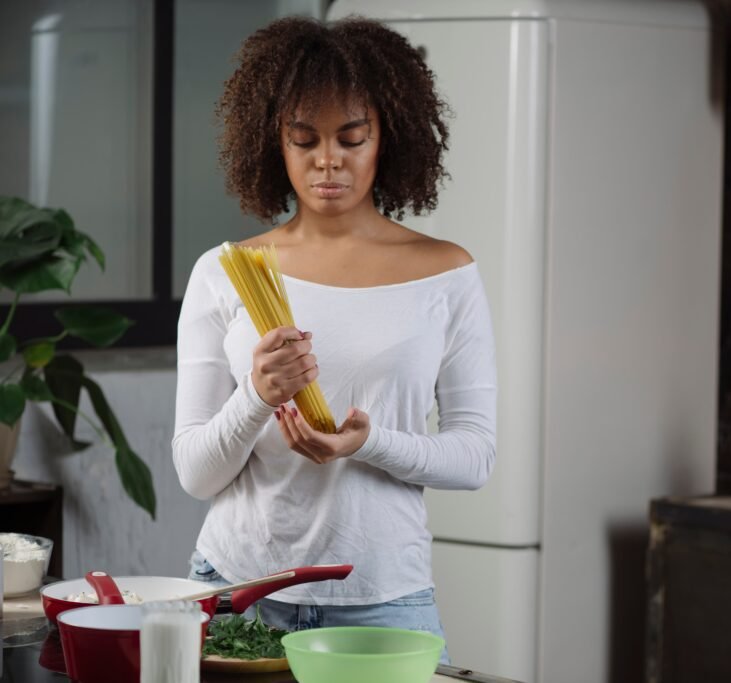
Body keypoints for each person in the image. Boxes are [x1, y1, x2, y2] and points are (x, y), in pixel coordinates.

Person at [171, 15, 497, 662]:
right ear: (275, 144)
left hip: (383, 599)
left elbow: (476, 455)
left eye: (352, 138)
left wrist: (367, 441)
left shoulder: (447, 274)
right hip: (239, 589)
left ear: (388, 138)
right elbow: (194, 472)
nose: (328, 160)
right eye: (304, 139)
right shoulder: (225, 272)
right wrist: (257, 396)